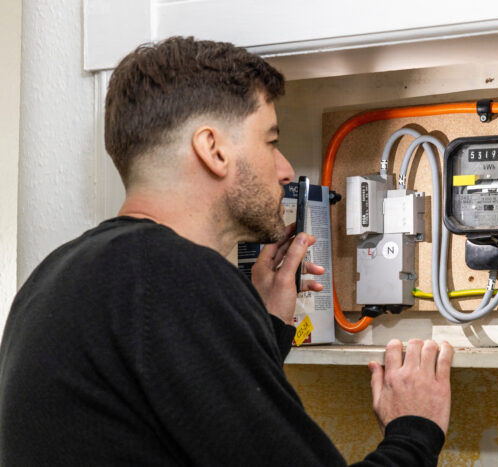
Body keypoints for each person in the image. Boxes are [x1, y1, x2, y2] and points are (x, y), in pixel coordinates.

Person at [0, 36, 454, 466]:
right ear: (212, 150)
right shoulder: (172, 275)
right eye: (271, 141)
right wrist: (416, 427)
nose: (286, 169)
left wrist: (266, 325)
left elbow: (191, 422)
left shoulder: (56, 275)